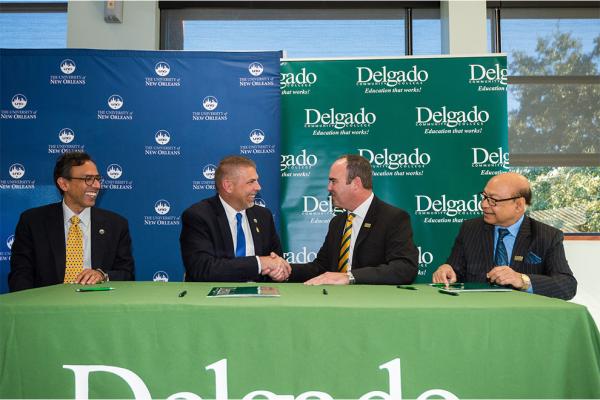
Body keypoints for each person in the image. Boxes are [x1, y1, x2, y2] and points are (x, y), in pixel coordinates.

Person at [432, 172, 577, 300]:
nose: (484, 205)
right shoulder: (470, 229)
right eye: (484, 197)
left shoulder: (547, 236)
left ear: (519, 205)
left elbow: (567, 286)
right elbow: (455, 270)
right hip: (477, 314)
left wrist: (522, 280)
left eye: (493, 200)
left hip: (524, 318)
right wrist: (447, 270)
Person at [8, 152, 135, 292]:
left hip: (98, 305)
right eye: (88, 179)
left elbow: (127, 274)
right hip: (49, 306)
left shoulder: (116, 224)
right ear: (63, 184)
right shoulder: (33, 222)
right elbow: (21, 275)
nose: (97, 185)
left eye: (98, 179)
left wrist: (102, 275)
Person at [289, 154, 418, 285]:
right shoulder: (337, 222)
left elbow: (404, 268)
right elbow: (321, 268)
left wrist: (350, 277)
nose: (329, 187)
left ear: (356, 183)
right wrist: (286, 270)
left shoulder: (393, 218)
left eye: (334, 181)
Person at [180, 156, 290, 282]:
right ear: (228, 186)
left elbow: (275, 260)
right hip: (213, 298)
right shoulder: (199, 216)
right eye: (251, 182)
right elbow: (201, 269)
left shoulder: (263, 216)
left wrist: (278, 272)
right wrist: (258, 263)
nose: (258, 187)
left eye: (257, 181)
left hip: (259, 297)